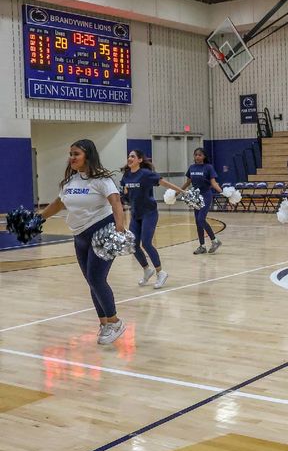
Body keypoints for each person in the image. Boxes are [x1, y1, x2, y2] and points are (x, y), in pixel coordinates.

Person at [38, 139, 128, 345]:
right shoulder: (70, 182)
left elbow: (116, 204)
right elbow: (58, 203)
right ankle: (104, 323)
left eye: (76, 154)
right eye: (70, 154)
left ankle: (115, 322)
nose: (71, 158)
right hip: (80, 236)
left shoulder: (102, 180)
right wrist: (39, 218)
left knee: (97, 279)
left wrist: (120, 229)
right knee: (91, 281)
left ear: (88, 155)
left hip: (102, 232)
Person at [121, 150, 184, 289]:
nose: (129, 158)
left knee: (147, 243)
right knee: (133, 245)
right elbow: (125, 196)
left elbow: (164, 183)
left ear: (139, 160)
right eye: (129, 156)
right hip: (135, 214)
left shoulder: (146, 174)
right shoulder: (126, 176)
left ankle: (161, 272)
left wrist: (181, 191)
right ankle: (146, 270)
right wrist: (123, 197)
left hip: (149, 213)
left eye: (133, 156)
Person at [182, 148, 223, 254]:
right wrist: (178, 191)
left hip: (206, 195)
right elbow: (188, 182)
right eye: (195, 155)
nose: (197, 157)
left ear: (204, 156)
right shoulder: (191, 167)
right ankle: (202, 246)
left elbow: (213, 183)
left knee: (201, 219)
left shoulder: (208, 167)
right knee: (198, 222)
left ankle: (215, 241)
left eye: (200, 155)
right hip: (195, 196)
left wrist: (223, 192)